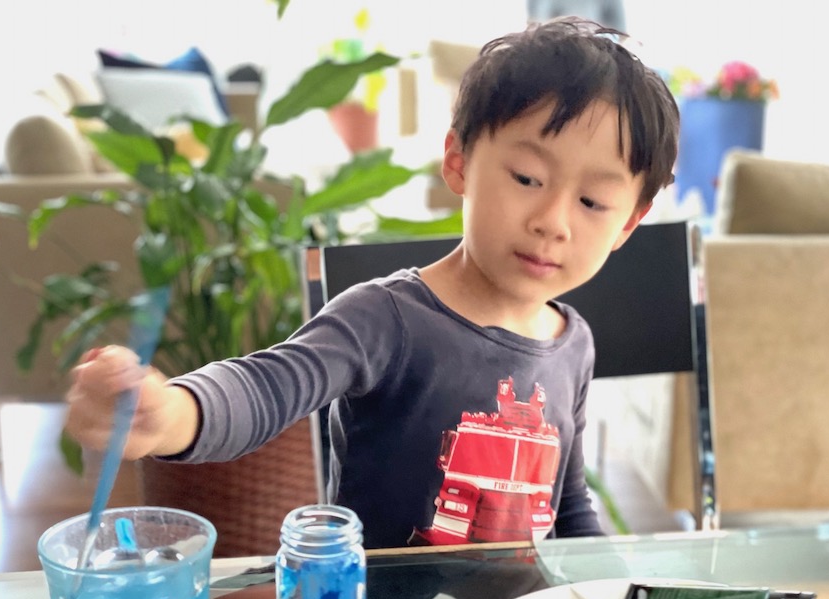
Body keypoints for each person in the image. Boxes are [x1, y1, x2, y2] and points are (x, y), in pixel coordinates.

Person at [65, 16, 680, 549]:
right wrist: (171, 412)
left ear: (628, 222)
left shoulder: (574, 343)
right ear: (459, 161)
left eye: (593, 202)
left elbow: (567, 507)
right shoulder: (385, 319)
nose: (552, 222)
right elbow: (266, 387)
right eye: (526, 177)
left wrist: (602, 597)